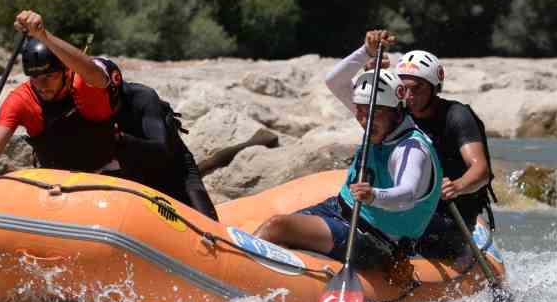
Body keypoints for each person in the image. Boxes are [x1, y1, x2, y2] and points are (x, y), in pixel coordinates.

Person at [254, 54, 442, 273]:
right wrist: (365, 50)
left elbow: (407, 194)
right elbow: (334, 81)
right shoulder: (375, 116)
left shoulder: (411, 149)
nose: (365, 122)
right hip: (337, 209)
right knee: (279, 235)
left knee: (277, 227)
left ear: (396, 112)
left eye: (374, 114)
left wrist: (373, 195)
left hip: (375, 239)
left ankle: (238, 276)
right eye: (360, 113)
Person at [0, 10, 123, 182]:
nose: (42, 86)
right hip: (54, 182)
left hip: (107, 172)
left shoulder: (84, 83)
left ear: (66, 72)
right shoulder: (20, 100)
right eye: (35, 77)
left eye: (49, 76)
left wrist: (43, 35)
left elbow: (93, 72)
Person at [393, 46, 497, 255]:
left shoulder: (457, 116)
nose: (410, 96)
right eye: (404, 89)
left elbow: (481, 170)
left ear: (434, 88)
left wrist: (457, 186)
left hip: (451, 211)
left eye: (417, 89)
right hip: (411, 204)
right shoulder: (400, 114)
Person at [106, 67, 218, 220]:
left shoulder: (143, 97)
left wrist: (122, 139)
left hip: (177, 169)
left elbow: (162, 149)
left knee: (208, 225)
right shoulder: (75, 107)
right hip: (133, 175)